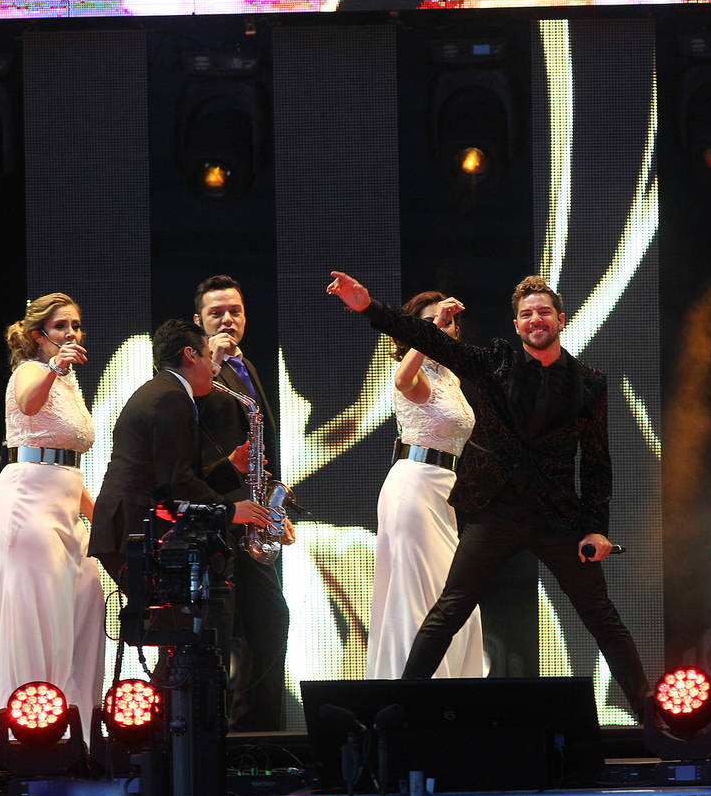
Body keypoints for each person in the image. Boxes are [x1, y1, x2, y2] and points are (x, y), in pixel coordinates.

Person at [328, 271, 649, 716]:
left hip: (557, 517)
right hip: (498, 511)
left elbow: (597, 462)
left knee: (603, 618)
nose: (535, 320)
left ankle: (652, 717)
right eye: (526, 314)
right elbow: (430, 340)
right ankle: (397, 713)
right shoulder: (496, 364)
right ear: (516, 325)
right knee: (448, 611)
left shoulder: (589, 383)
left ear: (560, 319)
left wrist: (596, 529)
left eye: (543, 312)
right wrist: (368, 307)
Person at [0, 293, 105, 724]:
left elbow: (68, 464)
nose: (72, 333)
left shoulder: (68, 382)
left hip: (66, 508)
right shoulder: (31, 370)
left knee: (86, 607)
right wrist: (54, 367)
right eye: (61, 325)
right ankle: (29, 730)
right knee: (38, 616)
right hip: (29, 505)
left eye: (76, 325)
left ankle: (80, 730)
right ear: (37, 334)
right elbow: (28, 403)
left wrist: (101, 516)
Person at [88, 319, 270, 582]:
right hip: (134, 529)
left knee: (164, 607)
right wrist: (231, 511)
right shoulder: (171, 397)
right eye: (208, 356)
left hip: (129, 527)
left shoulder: (165, 391)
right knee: (167, 608)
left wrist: (230, 466)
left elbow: (171, 474)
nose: (213, 368)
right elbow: (176, 483)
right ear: (190, 355)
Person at [366, 290, 483, 680]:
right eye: (429, 322)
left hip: (442, 492)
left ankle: (452, 694)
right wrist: (429, 331)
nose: (440, 327)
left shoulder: (451, 376)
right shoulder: (408, 370)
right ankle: (414, 695)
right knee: (420, 600)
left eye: (445, 322)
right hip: (413, 489)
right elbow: (404, 381)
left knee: (456, 601)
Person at [192, 274, 292, 731]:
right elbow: (186, 432)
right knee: (216, 630)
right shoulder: (193, 367)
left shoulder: (246, 365)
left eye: (235, 311)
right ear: (199, 321)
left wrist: (274, 510)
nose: (227, 320)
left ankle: (258, 732)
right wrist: (210, 363)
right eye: (216, 313)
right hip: (215, 510)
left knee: (270, 619)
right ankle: (212, 734)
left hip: (252, 514)